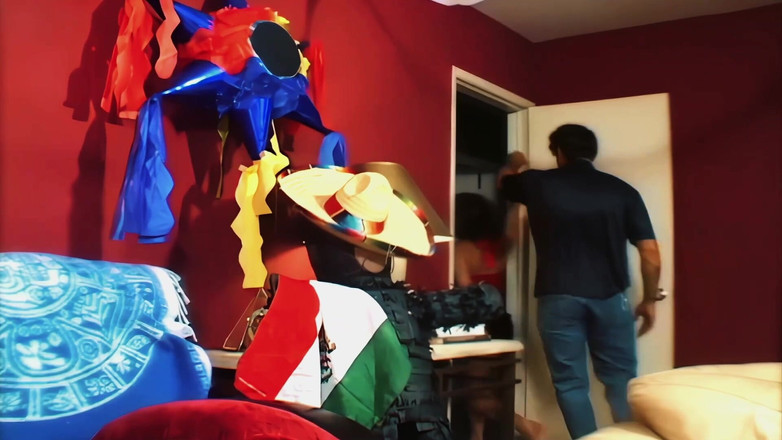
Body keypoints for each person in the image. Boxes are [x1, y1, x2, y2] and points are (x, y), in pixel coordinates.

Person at [497, 124, 663, 439]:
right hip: (612, 298)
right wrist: (650, 299)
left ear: (559, 152)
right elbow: (651, 254)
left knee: (570, 384)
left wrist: (516, 162)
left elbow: (504, 183)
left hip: (558, 298)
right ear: (591, 152)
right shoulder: (623, 192)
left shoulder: (537, 183)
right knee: (621, 381)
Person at [453, 192, 545, 440]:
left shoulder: (461, 249)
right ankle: (477, 434)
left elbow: (465, 289)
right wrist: (517, 199)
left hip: (478, 324)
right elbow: (515, 230)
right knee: (486, 386)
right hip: (502, 322)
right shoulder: (498, 247)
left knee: (476, 391)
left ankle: (524, 425)